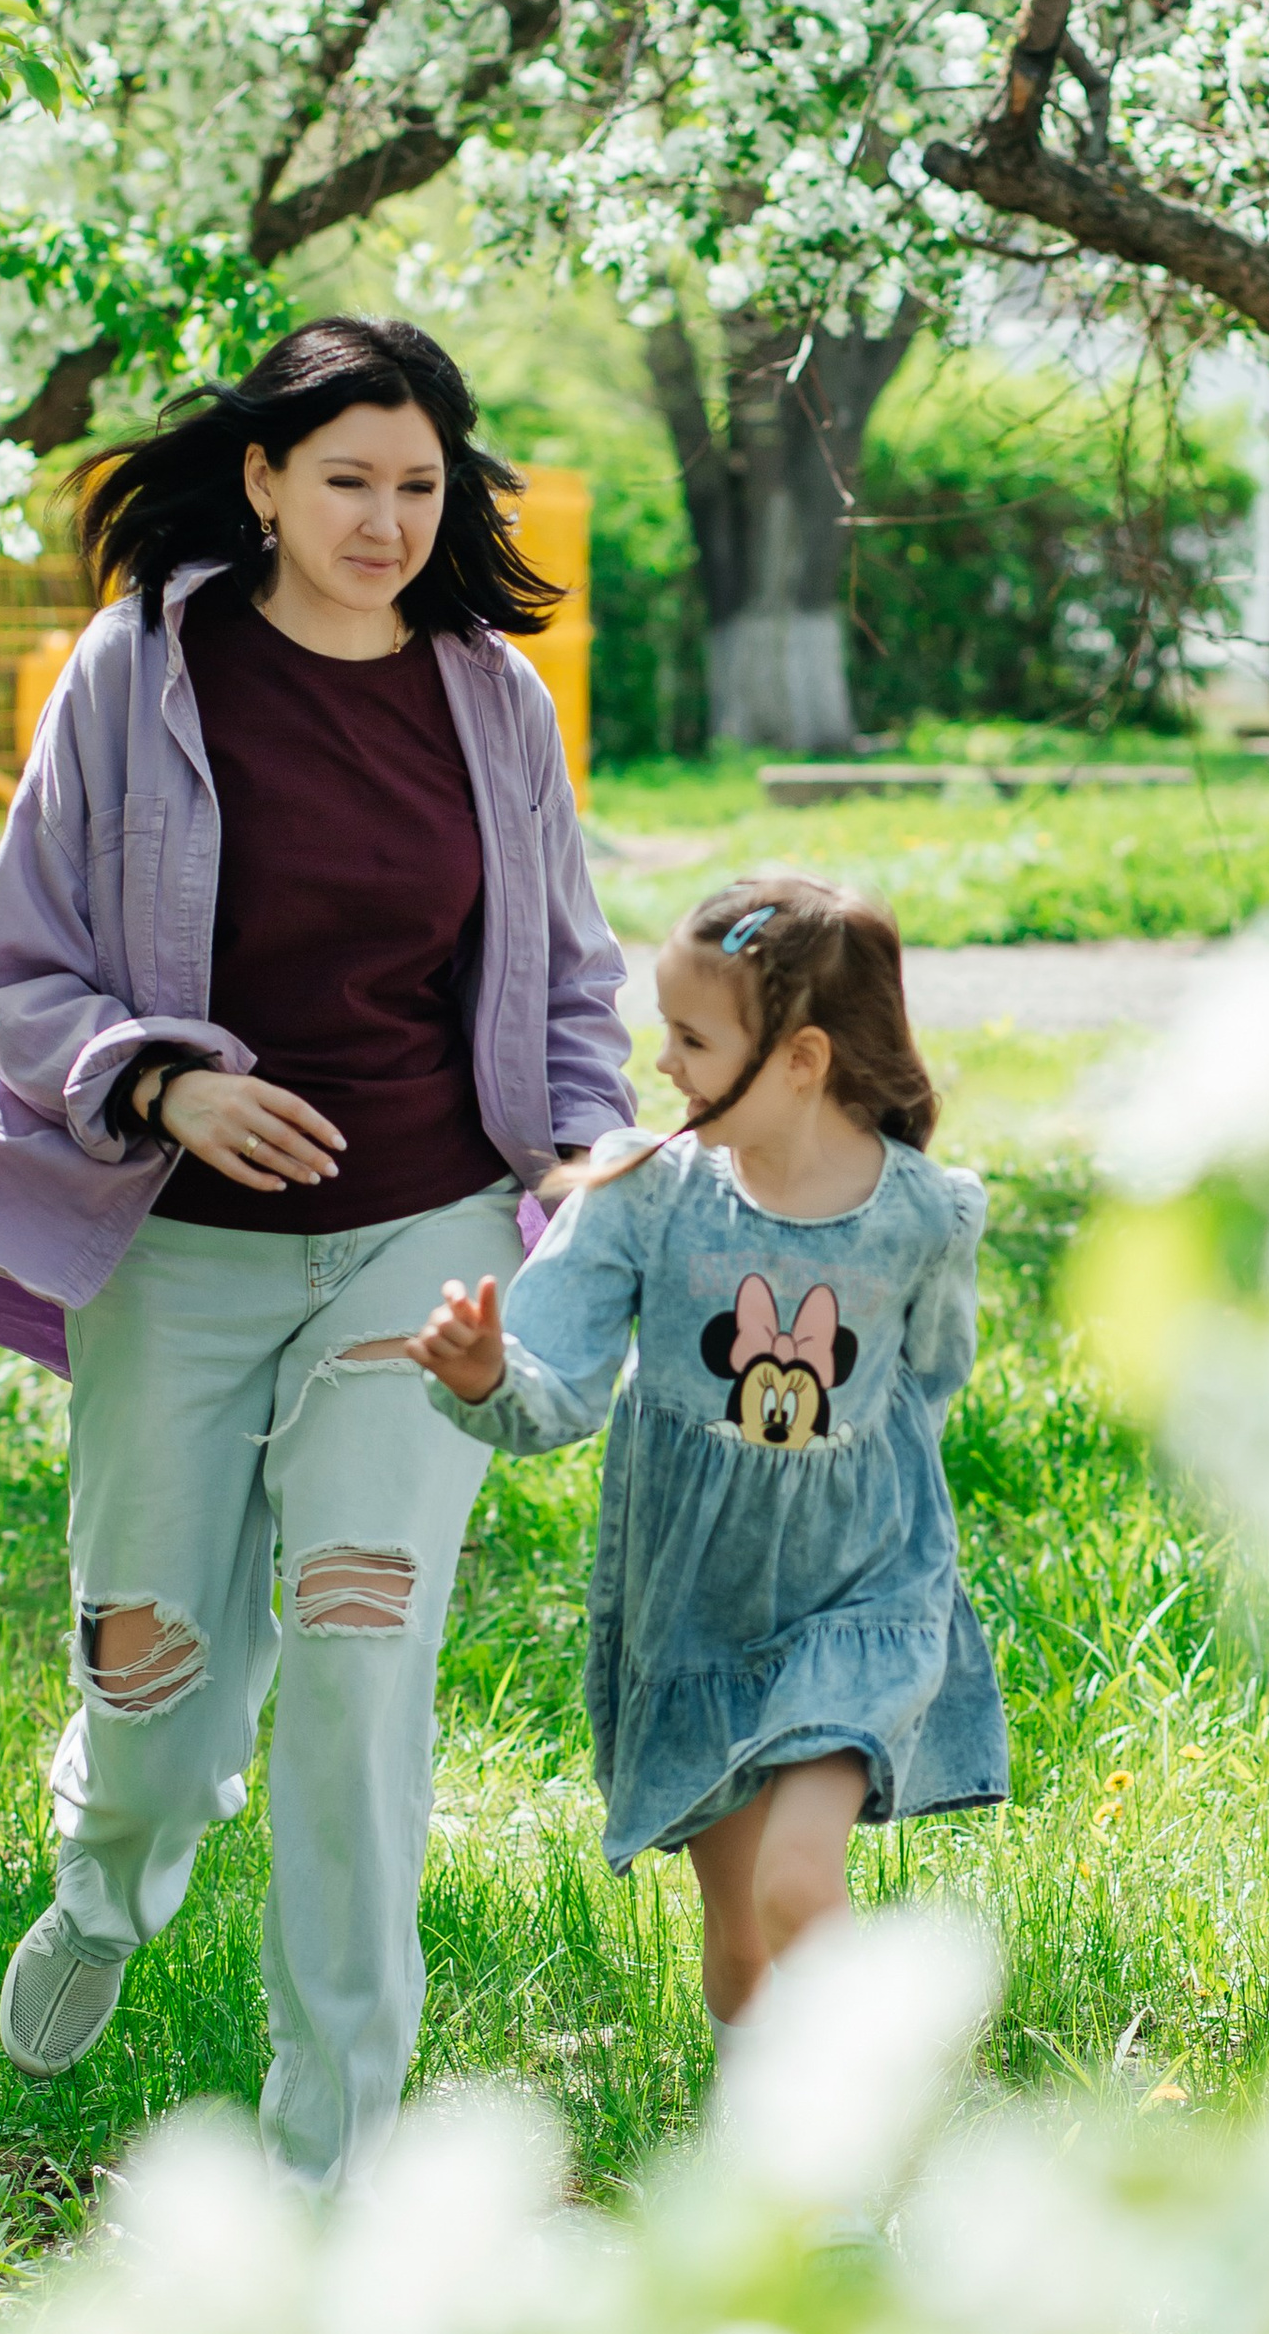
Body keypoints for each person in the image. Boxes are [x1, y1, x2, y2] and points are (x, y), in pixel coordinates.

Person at [0, 315, 634, 2182]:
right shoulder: (138, 672)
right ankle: (112, 1880)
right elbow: (16, 975)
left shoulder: (490, 699)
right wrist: (165, 1085)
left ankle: (332, 2152)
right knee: (156, 1675)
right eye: (346, 479)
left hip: (423, 1236)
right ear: (264, 479)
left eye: (419, 486)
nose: (383, 520)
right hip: (176, 1242)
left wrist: (590, 1148)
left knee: (362, 1670)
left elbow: (570, 980)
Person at [410, 874, 1007, 2048]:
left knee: (798, 1886)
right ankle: (767, 2141)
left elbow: (925, 1383)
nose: (662, 1064)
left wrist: (866, 1505)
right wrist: (488, 1377)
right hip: (695, 1614)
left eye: (691, 1037)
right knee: (739, 1933)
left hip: (860, 1600)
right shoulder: (648, 1200)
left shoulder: (920, 1218)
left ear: (800, 1059)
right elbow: (556, 1378)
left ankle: (848, 2157)